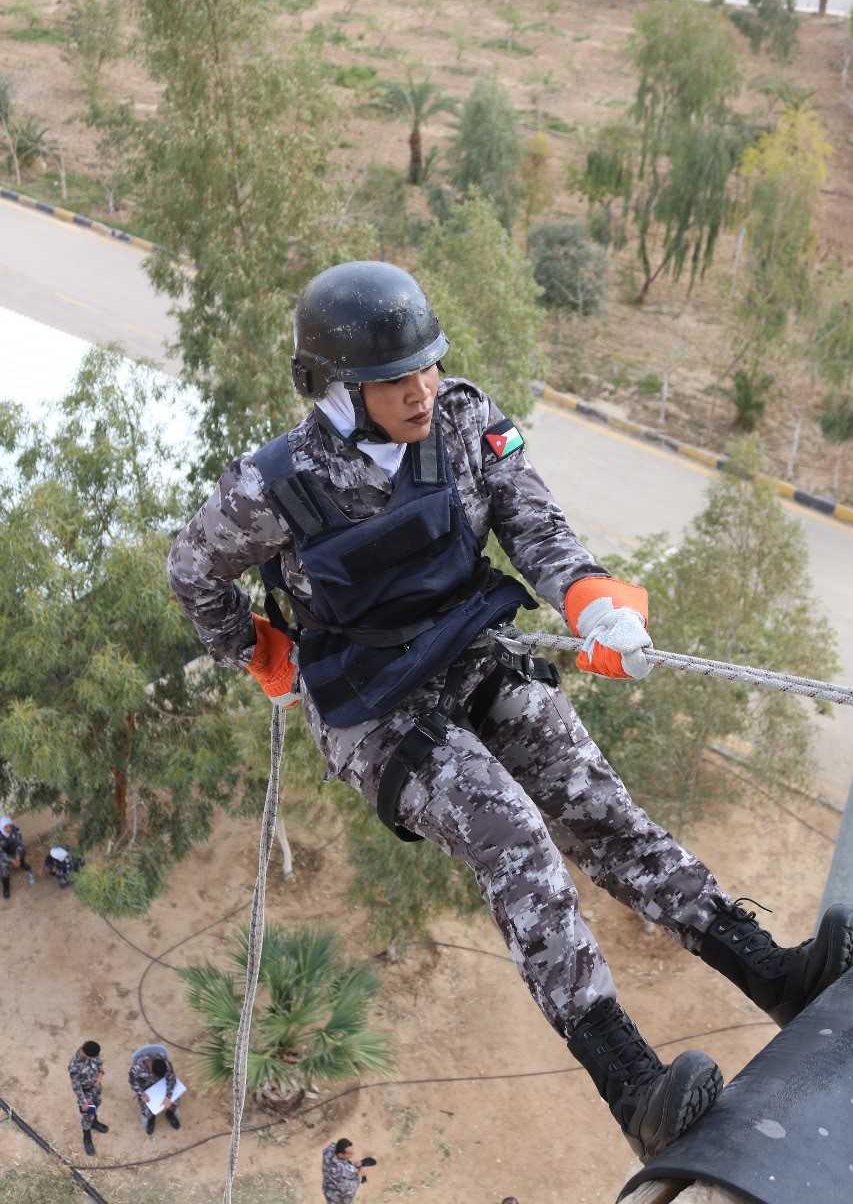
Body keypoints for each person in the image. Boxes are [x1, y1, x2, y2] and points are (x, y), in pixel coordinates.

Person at [168, 260, 853, 1163]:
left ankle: (769, 973)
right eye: (393, 379)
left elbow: (532, 524)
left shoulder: (462, 419)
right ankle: (633, 1090)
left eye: (426, 365)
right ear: (336, 389)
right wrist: (260, 653)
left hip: (469, 653)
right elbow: (192, 570)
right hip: (374, 709)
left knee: (595, 803)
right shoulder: (274, 485)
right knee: (513, 837)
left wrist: (590, 603)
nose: (420, 389)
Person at [128, 1043, 182, 1135]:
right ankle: (151, 1118)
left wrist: (168, 1097)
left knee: (174, 1101)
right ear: (150, 1065)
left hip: (163, 1085)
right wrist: (142, 1093)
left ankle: (170, 1114)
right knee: (147, 1108)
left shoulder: (165, 1063)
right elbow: (132, 1081)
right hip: (147, 1088)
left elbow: (171, 1079)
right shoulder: (137, 1067)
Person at [68, 1040, 108, 1156]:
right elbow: (76, 1086)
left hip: (96, 1088)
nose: (96, 1057)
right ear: (86, 1053)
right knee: (87, 1116)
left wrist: (100, 1073)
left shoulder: (93, 1053)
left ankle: (94, 1123)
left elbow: (99, 1063)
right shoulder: (74, 1066)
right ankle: (87, 1137)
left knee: (97, 1105)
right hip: (86, 1094)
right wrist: (83, 1102)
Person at [321, 1138, 376, 1203]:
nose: (352, 1154)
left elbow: (334, 1146)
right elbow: (354, 1184)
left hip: (327, 1188)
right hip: (339, 1195)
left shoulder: (329, 1151)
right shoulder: (343, 1170)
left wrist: (354, 1163)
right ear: (340, 1154)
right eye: (349, 1153)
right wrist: (361, 1174)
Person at [0, 814, 35, 899]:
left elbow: (19, 845)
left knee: (22, 856)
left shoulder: (16, 830)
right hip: (4, 855)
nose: (9, 829)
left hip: (16, 852)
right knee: (4, 870)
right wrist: (12, 860)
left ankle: (27, 869)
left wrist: (18, 858)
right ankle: (6, 888)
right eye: (6, 827)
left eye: (10, 826)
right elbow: (1, 852)